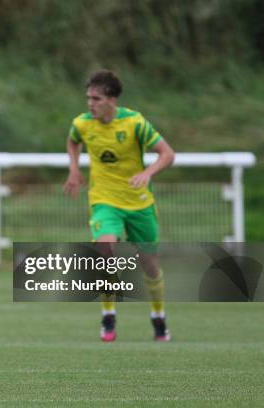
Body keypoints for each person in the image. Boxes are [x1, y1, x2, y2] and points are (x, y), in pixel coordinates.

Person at [63, 70, 175, 342]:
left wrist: (148, 173)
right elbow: (72, 141)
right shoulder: (82, 123)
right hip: (104, 200)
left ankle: (158, 317)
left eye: (96, 98)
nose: (90, 103)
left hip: (139, 203)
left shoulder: (134, 123)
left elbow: (167, 154)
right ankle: (108, 315)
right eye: (88, 98)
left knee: (149, 265)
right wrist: (75, 169)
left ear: (112, 100)